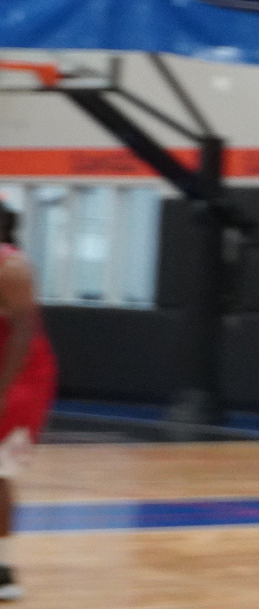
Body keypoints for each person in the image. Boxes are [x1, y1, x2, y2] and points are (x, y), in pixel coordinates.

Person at [0, 204, 57, 602]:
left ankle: (3, 569)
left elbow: (23, 331)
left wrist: (2, 390)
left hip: (21, 377)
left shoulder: (11, 266)